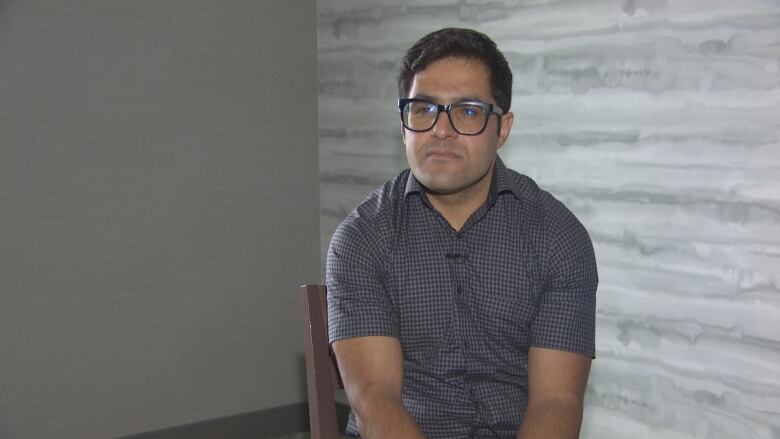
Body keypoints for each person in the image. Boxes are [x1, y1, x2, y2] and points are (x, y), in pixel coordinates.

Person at [326, 28, 598, 439]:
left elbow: (556, 401)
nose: (441, 130)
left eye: (468, 111)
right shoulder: (363, 238)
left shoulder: (557, 238)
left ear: (502, 128)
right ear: (403, 124)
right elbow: (374, 399)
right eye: (423, 109)